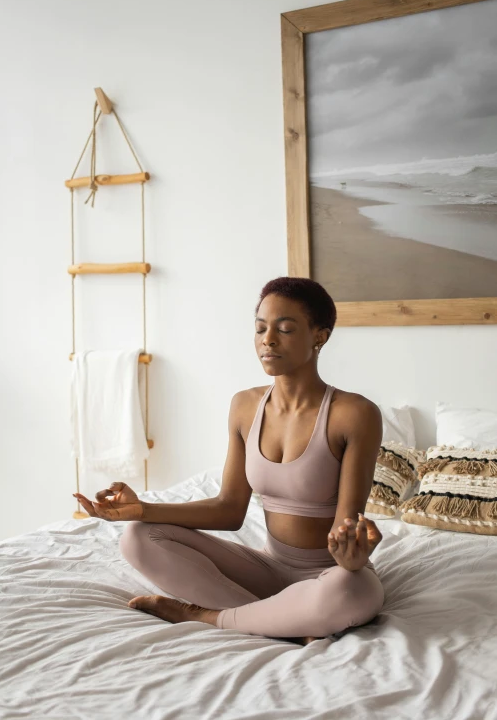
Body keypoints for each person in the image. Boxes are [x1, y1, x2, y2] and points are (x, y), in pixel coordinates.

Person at [74, 276, 385, 645]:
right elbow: (229, 508)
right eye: (260, 329)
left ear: (320, 336)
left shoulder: (354, 413)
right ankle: (278, 620)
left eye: (285, 329)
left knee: (355, 590)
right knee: (139, 537)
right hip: (267, 570)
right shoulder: (245, 405)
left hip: (329, 574)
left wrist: (350, 558)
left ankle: (204, 615)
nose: (268, 340)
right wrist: (142, 509)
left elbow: (345, 526)